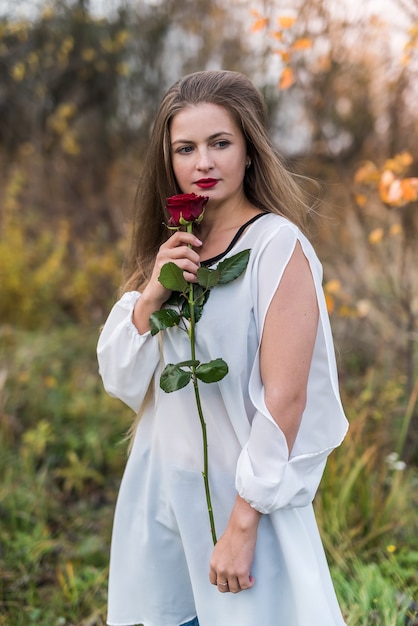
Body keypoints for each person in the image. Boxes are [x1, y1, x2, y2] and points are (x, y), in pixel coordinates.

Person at [97, 69, 349, 626]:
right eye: (186, 148)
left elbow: (285, 401)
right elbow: (121, 378)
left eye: (220, 143)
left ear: (250, 150)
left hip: (242, 507)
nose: (203, 163)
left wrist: (242, 523)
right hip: (161, 497)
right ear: (170, 160)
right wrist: (152, 289)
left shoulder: (276, 247)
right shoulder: (173, 247)